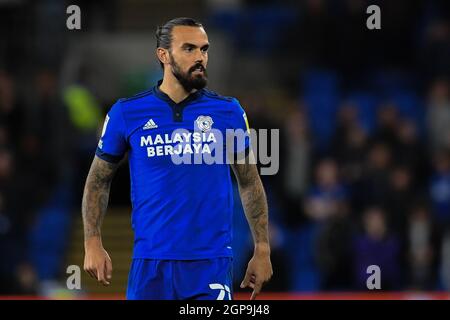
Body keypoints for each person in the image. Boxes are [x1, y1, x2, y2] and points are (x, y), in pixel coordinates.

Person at [81, 17, 272, 300]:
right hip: (150, 266)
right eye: (189, 49)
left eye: (204, 50)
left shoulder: (228, 112)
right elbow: (98, 181)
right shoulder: (126, 113)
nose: (200, 58)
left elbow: (249, 182)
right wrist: (92, 242)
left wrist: (262, 249)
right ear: (163, 55)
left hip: (211, 265)